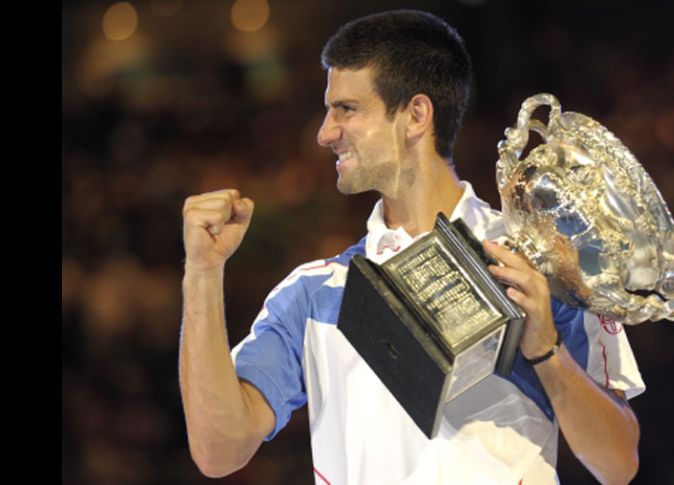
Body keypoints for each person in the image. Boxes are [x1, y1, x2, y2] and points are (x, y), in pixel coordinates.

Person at [180, 10, 644, 484]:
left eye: (346, 109)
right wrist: (202, 271)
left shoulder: (534, 263)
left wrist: (546, 348)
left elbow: (618, 464)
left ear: (416, 115)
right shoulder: (313, 293)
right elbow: (219, 451)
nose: (324, 132)